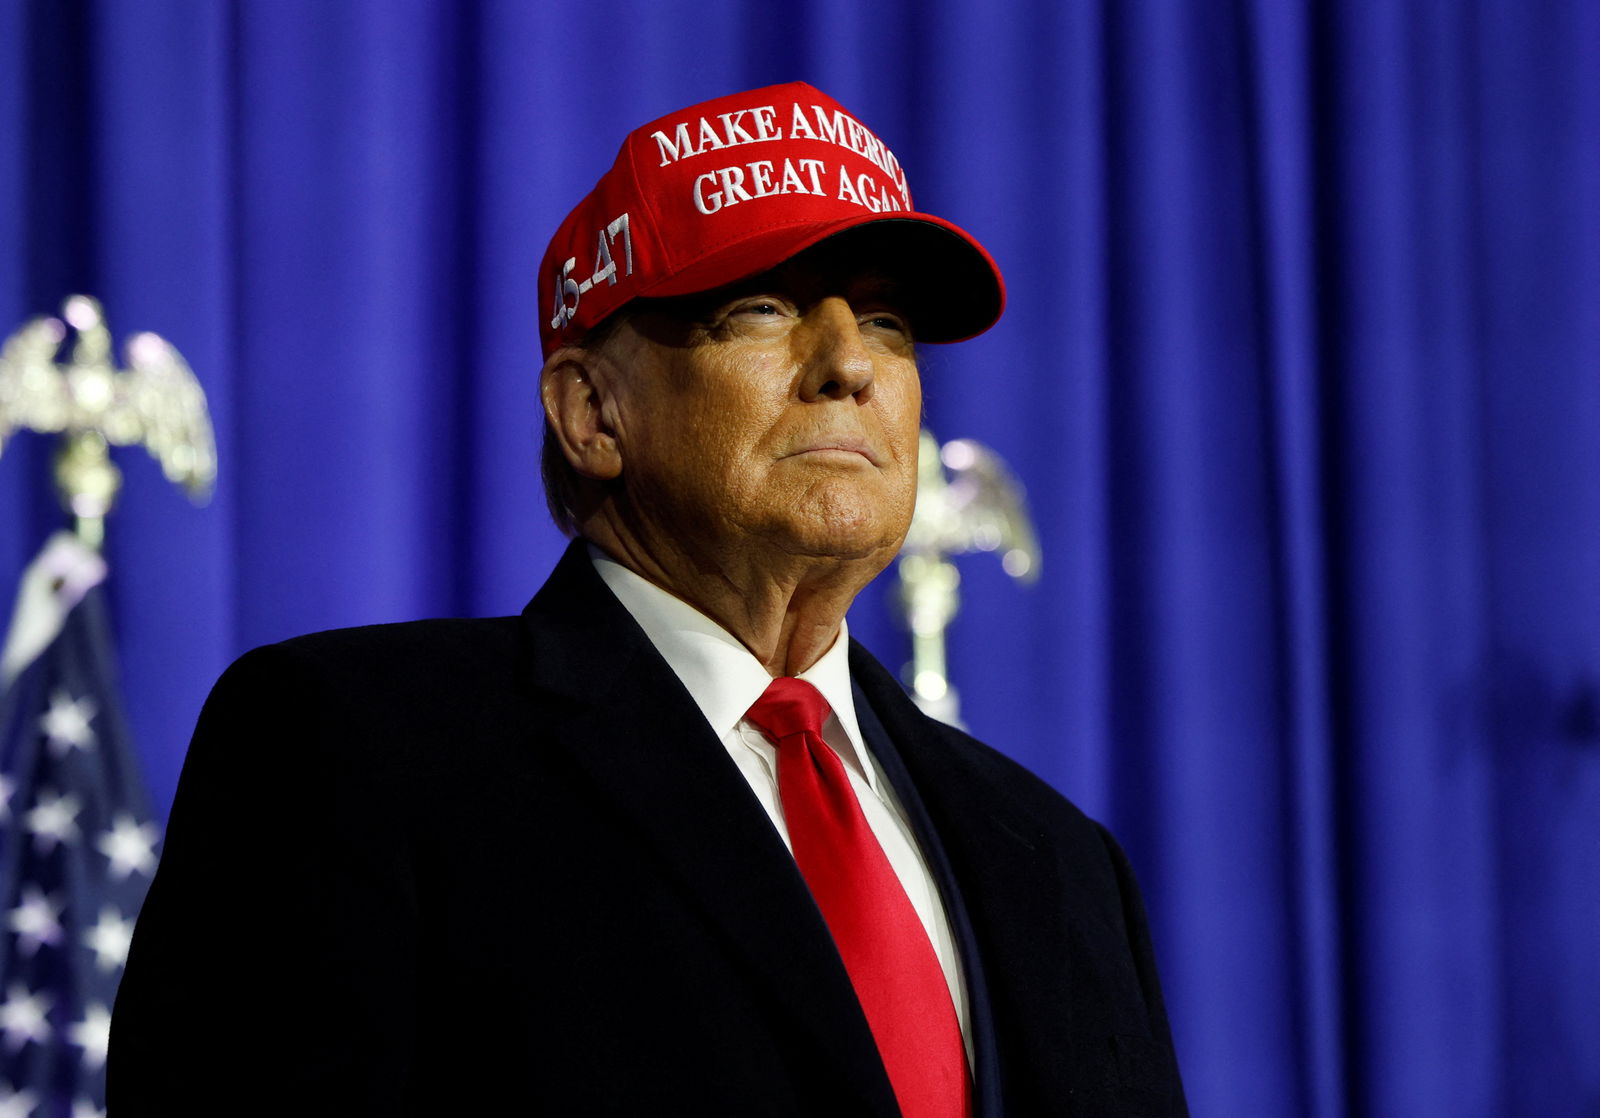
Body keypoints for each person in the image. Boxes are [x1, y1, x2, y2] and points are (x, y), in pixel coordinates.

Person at [109, 82, 1186, 1116]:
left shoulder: (1057, 861)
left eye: (889, 322)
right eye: (763, 307)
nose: (849, 361)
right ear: (592, 411)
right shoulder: (358, 750)